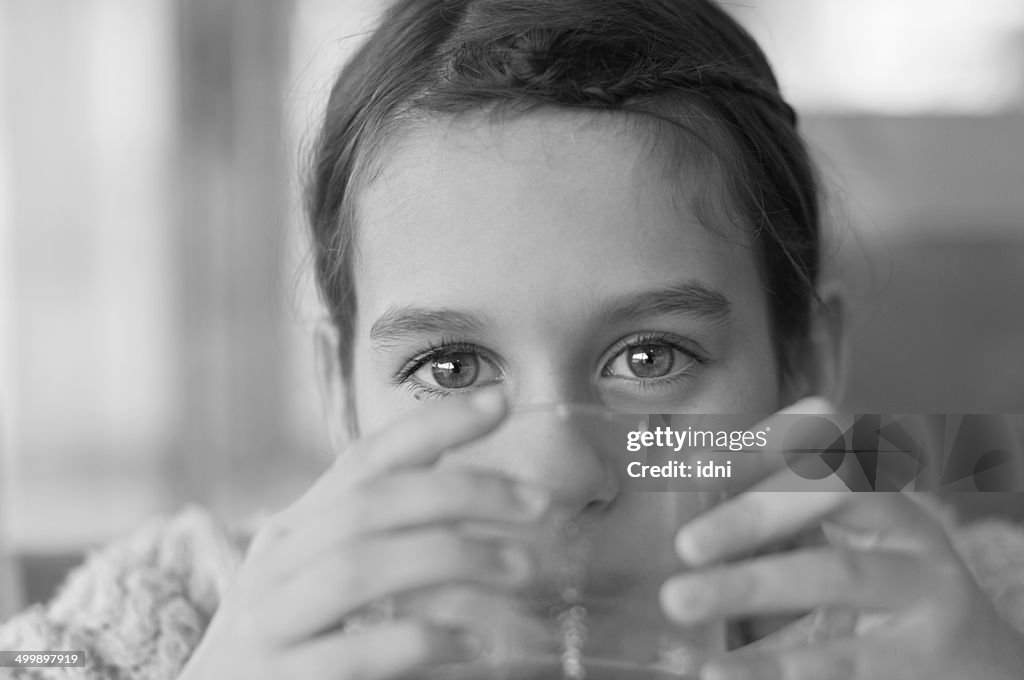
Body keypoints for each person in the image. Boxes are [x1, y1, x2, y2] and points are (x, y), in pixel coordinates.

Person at [3, 0, 1024, 678]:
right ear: (341, 390)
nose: (556, 469)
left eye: (650, 357)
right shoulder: (163, 623)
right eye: (449, 368)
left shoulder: (966, 616)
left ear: (805, 361)